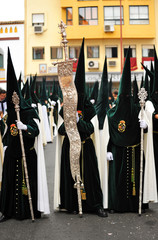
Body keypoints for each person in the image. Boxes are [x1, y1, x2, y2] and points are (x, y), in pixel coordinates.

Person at [54, 38, 107, 217]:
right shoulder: (65, 105)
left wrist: (78, 120)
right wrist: (68, 121)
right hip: (70, 146)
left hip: (86, 146)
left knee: (90, 178)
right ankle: (71, 204)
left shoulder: (88, 107)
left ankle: (95, 205)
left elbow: (90, 129)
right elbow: (61, 131)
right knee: (70, 176)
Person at [0, 48, 50, 222]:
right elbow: (6, 131)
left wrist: (25, 127)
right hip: (11, 154)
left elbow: (36, 131)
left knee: (26, 182)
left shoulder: (28, 110)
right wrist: (5, 142)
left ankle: (27, 210)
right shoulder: (8, 113)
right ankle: (7, 212)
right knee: (9, 183)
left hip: (26, 154)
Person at [107, 47, 154, 213]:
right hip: (118, 152)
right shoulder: (112, 113)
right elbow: (108, 133)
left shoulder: (137, 109)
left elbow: (145, 128)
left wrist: (145, 126)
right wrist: (107, 149)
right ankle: (118, 205)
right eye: (123, 97)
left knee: (135, 180)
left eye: (127, 96)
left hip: (134, 151)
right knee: (118, 181)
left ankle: (136, 205)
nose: (125, 99)